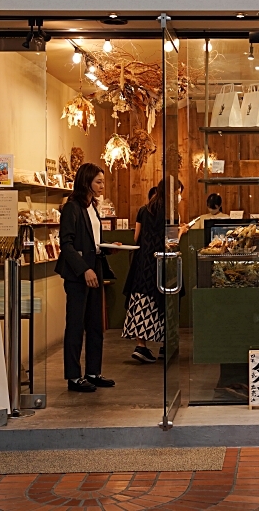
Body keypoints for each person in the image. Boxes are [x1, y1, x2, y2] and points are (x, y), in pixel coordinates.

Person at [55, 163, 116, 392]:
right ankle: (73, 376)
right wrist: (84, 270)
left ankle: (93, 372)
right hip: (78, 274)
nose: (102, 186)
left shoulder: (92, 207)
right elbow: (66, 244)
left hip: (95, 268)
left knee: (94, 324)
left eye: (103, 181)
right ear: (86, 182)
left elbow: (92, 242)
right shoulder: (72, 207)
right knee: (75, 324)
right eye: (98, 181)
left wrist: (109, 249)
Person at [123, 179, 184, 362]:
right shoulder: (172, 213)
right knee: (167, 301)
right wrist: (182, 230)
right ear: (172, 193)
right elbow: (172, 242)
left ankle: (141, 346)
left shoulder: (143, 210)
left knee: (142, 301)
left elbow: (136, 237)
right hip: (163, 263)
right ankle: (166, 346)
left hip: (143, 263)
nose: (180, 197)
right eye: (179, 192)